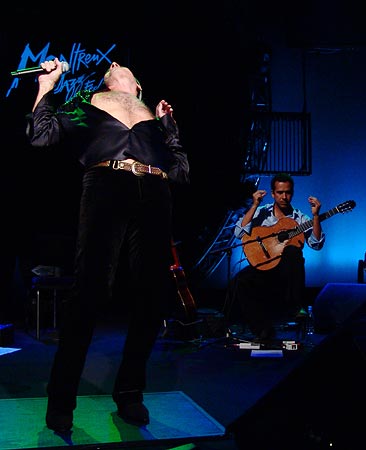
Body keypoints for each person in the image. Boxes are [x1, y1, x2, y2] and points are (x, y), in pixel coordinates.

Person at [26, 58, 190, 432]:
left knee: (152, 296)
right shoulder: (86, 102)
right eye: (111, 67)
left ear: (138, 86)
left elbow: (181, 172)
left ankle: (130, 392)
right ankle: (61, 399)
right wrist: (46, 86)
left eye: (123, 65)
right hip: (106, 185)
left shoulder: (155, 118)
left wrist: (170, 128)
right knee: (89, 292)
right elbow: (41, 135)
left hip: (155, 191)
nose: (115, 63)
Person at [230, 173, 325, 341]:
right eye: (280, 192)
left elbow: (316, 244)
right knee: (240, 281)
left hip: (285, 272)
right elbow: (238, 233)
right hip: (264, 266)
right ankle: (262, 330)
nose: (284, 197)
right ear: (273, 194)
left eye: (288, 192)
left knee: (293, 251)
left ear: (292, 193)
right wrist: (254, 205)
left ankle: (296, 307)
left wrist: (316, 216)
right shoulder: (261, 212)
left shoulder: (299, 218)